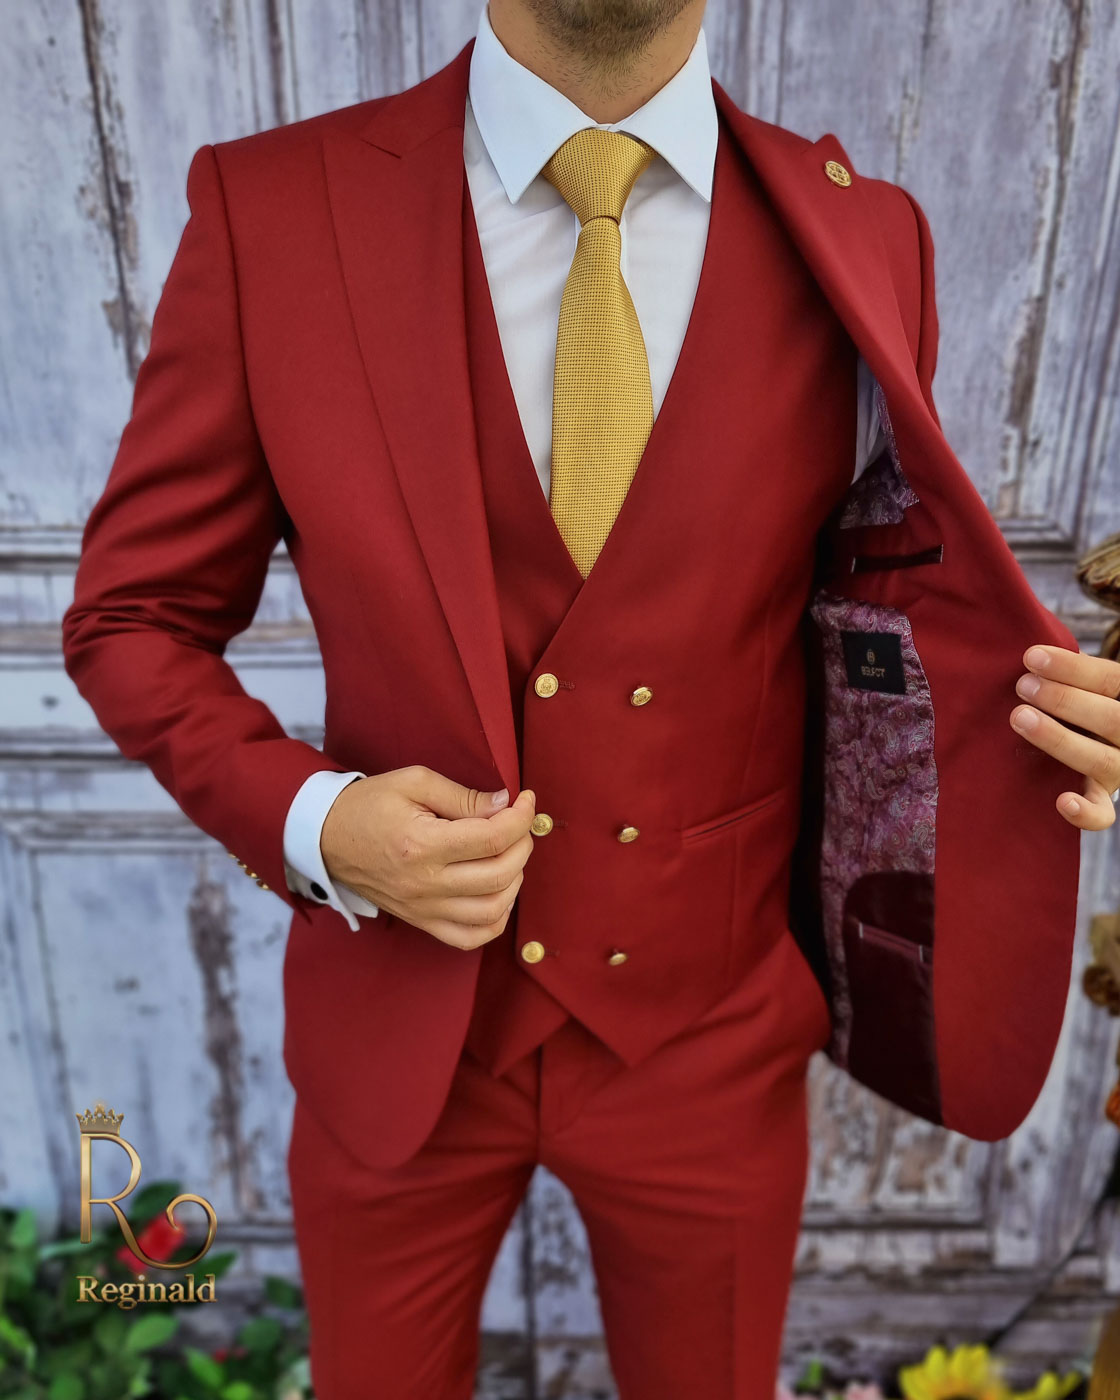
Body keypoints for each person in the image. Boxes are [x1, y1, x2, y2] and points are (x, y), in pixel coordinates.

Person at [61, 1, 1119, 1395]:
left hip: (713, 1035)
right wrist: (319, 823)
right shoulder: (271, 211)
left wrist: (1040, 721)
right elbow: (133, 618)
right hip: (399, 1034)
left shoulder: (872, 233)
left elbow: (883, 607)